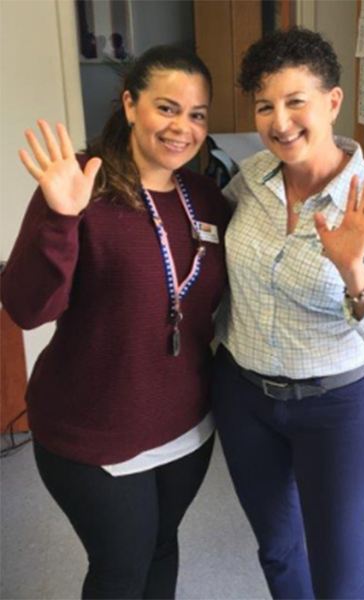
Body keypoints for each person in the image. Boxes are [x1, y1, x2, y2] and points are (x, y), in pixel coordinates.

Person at [0, 46, 228, 599]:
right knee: (120, 571)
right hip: (94, 431)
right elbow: (28, 309)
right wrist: (60, 217)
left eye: (197, 114)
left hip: (186, 426)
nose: (183, 128)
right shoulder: (81, 185)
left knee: (161, 546)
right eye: (166, 108)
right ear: (130, 104)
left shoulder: (205, 199)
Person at [210, 28, 364, 600]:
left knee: (341, 578)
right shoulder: (249, 180)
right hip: (243, 396)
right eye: (265, 105)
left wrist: (355, 271)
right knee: (278, 553)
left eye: (295, 101)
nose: (280, 122)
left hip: (334, 408)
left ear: (332, 101)